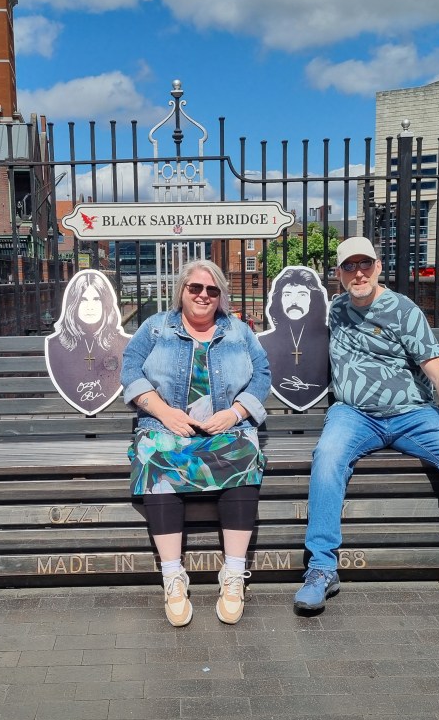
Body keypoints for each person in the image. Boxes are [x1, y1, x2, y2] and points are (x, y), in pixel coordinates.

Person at [294, 236, 439, 624]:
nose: (358, 273)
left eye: (365, 264)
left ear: (378, 267)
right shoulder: (337, 309)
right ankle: (322, 569)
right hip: (354, 414)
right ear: (339, 273)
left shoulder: (403, 310)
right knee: (327, 457)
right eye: (349, 266)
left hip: (413, 415)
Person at [121, 259, 271, 626]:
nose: (204, 295)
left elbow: (262, 375)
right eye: (196, 288)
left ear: (220, 295)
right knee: (155, 456)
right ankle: (173, 576)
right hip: (166, 427)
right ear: (182, 291)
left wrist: (235, 413)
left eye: (212, 290)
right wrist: (164, 412)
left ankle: (233, 574)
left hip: (226, 429)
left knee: (244, 455)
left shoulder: (238, 332)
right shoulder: (156, 328)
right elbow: (130, 367)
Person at [45, 269, 129, 415]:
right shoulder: (55, 345)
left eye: (96, 299)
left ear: (105, 304)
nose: (90, 306)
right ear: (73, 305)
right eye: (83, 300)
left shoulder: (123, 343)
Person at [258, 265, 330, 411]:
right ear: (279, 299)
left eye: (302, 294)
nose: (294, 301)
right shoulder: (263, 343)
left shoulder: (330, 339)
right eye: (287, 294)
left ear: (313, 299)